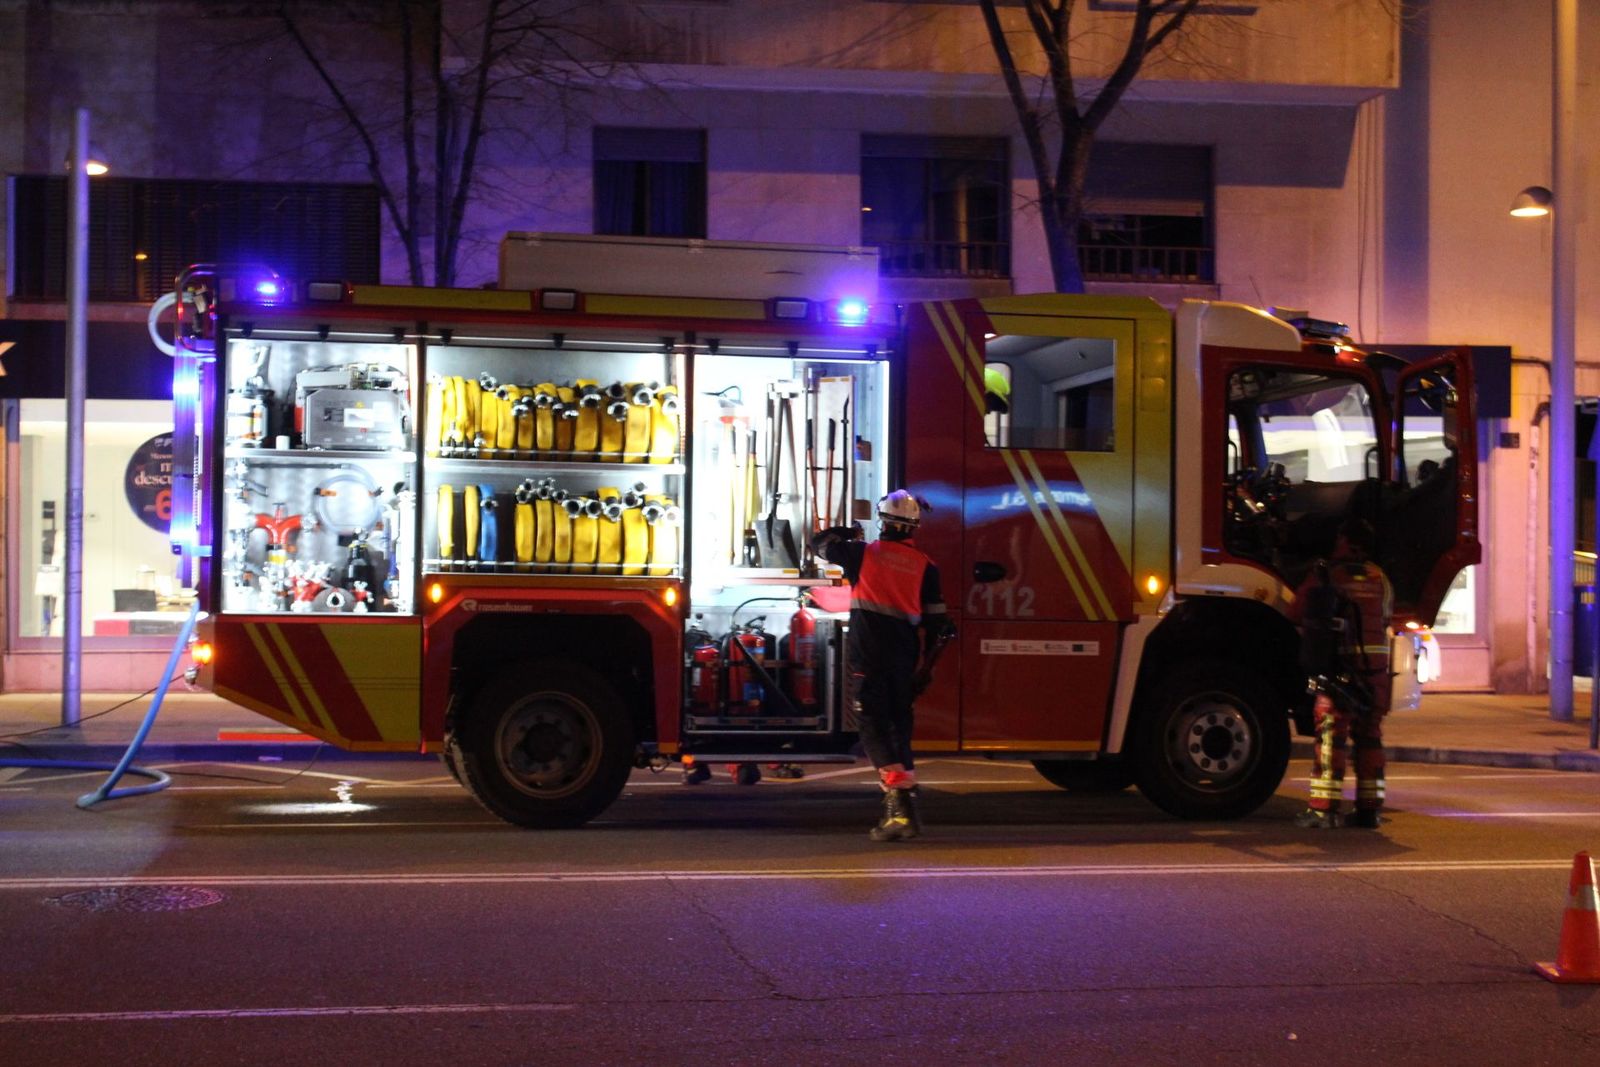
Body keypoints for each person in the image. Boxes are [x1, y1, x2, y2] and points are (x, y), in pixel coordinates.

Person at [811, 490, 954, 842]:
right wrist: (926, 670)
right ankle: (905, 811)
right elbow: (940, 628)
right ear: (913, 528)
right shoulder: (926, 566)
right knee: (897, 731)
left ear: (883, 522)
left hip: (870, 661)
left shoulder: (864, 554)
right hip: (904, 662)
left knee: (874, 731)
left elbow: (819, 543)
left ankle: (900, 809)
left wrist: (849, 533)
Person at [1292, 517, 1394, 830]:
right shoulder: (1380, 578)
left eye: (1340, 540)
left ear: (1347, 543)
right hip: (1376, 675)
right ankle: (1369, 811)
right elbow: (1386, 615)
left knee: (1329, 738)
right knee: (1370, 739)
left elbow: (1296, 611)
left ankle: (1324, 810)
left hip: (1341, 673)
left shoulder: (1328, 576)